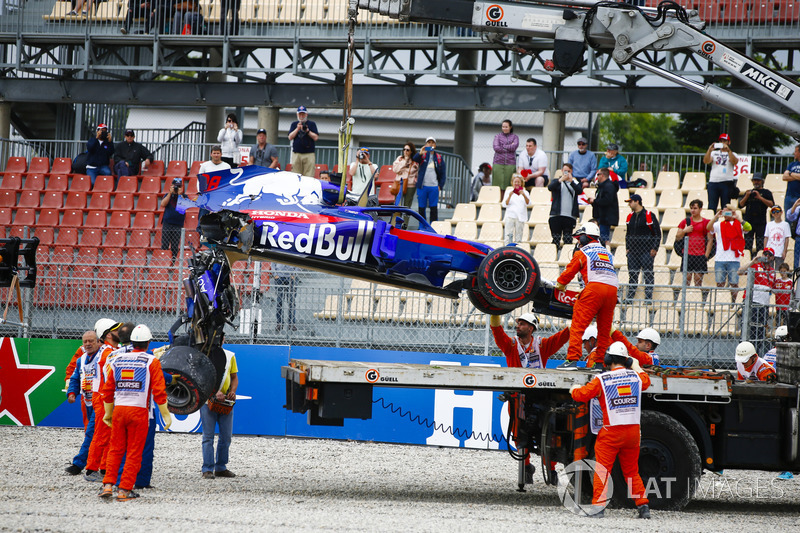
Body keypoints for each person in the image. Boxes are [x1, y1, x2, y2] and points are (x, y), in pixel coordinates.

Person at [569, 341, 652, 519]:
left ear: (608, 359)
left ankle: (598, 508)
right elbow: (646, 380)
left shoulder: (602, 379)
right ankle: (643, 506)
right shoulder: (636, 378)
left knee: (602, 470)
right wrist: (635, 364)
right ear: (626, 360)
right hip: (632, 433)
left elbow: (582, 395)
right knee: (631, 471)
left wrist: (573, 390)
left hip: (611, 433)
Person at [489, 311, 569, 482]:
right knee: (519, 434)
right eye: (518, 323)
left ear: (531, 328)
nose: (518, 326)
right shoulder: (511, 345)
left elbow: (562, 337)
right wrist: (493, 313)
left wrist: (579, 319)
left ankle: (552, 469)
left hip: (540, 396)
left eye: (522, 323)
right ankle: (526, 467)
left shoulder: (542, 344)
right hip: (518, 397)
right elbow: (498, 333)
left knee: (548, 433)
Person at [99, 325, 171, 501]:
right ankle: (124, 490)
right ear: (148, 343)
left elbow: (107, 389)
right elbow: (159, 391)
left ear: (132, 342)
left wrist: (108, 413)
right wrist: (166, 415)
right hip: (139, 412)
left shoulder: (117, 359)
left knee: (115, 449)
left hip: (118, 410)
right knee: (134, 451)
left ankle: (108, 485)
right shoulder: (151, 361)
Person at [556, 222, 618, 365]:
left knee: (578, 325)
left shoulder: (582, 252)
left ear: (585, 238)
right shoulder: (607, 253)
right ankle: (599, 363)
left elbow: (568, 273)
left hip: (594, 289)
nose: (578, 241)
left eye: (579, 238)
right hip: (613, 292)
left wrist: (560, 285)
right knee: (604, 330)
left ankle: (572, 360)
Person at [83, 319, 122, 482]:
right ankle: (91, 469)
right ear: (108, 334)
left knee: (109, 435)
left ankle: (104, 468)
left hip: (107, 396)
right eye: (117, 330)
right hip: (104, 397)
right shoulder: (107, 352)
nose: (120, 332)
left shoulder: (111, 350)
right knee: (101, 435)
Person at [64, 330, 104, 476]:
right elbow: (75, 378)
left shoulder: (104, 357)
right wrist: (72, 393)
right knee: (95, 434)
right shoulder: (81, 360)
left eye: (91, 341)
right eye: (85, 341)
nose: (88, 344)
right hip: (87, 402)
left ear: (98, 341)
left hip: (100, 402)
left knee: (91, 433)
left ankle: (79, 464)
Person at [200, 341, 238, 479]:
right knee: (208, 436)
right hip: (208, 401)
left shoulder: (230, 356)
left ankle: (220, 467)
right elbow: (201, 379)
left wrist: (232, 391)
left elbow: (234, 377)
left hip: (225, 401)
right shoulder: (204, 356)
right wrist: (213, 392)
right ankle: (208, 468)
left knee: (226, 436)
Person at [738, 249, 776, 356]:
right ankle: (743, 354)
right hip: (752, 303)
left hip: (764, 306)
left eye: (770, 255)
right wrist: (752, 262)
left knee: (760, 332)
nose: (767, 256)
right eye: (765, 254)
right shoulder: (756, 265)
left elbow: (773, 288)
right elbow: (739, 272)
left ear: (773, 258)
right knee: (747, 330)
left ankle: (755, 355)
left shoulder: (772, 272)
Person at [624, 194, 661, 302]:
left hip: (646, 251)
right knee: (632, 274)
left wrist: (654, 248)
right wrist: (628, 248)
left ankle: (648, 297)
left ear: (637, 201)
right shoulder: (630, 216)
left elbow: (657, 233)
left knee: (648, 274)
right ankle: (630, 297)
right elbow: (628, 234)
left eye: (631, 202)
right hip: (633, 251)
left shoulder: (649, 215)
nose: (629, 204)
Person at [708, 204, 747, 300]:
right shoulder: (719, 224)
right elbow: (708, 227)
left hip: (734, 259)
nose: (725, 214)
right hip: (720, 259)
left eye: (727, 212)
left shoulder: (739, 225)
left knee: (734, 283)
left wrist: (738, 218)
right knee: (719, 283)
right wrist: (716, 216)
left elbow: (748, 228)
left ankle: (734, 302)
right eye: (724, 212)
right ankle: (720, 302)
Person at [677, 199, 712, 287]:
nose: (693, 210)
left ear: (700, 209)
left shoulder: (706, 222)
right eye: (691, 208)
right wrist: (685, 230)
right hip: (688, 254)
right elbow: (677, 237)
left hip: (700, 255)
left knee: (698, 282)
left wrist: (706, 256)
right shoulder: (685, 221)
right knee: (686, 281)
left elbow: (710, 239)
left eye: (695, 208)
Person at [738, 172, 774, 255]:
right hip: (749, 221)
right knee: (747, 243)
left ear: (762, 181)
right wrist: (747, 196)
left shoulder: (766, 192)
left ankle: (759, 262)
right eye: (754, 180)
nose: (756, 182)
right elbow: (740, 205)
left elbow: (772, 205)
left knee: (760, 244)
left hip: (761, 221)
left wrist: (760, 197)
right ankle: (747, 259)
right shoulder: (749, 192)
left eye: (758, 180)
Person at [412, 137, 446, 222]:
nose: (431, 144)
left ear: (435, 145)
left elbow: (443, 173)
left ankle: (433, 226)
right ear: (426, 144)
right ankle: (422, 227)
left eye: (432, 142)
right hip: (422, 186)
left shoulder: (438, 157)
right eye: (429, 142)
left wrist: (440, 186)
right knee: (421, 207)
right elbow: (414, 159)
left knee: (433, 207)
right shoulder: (422, 155)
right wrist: (420, 153)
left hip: (434, 186)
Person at [547, 163, 581, 248]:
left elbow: (579, 191)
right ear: (562, 171)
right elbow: (550, 187)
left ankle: (566, 256)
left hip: (570, 216)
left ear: (571, 171)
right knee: (556, 238)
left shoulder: (575, 182)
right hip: (556, 215)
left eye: (568, 171)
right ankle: (554, 254)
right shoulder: (557, 181)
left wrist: (571, 181)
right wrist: (560, 180)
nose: (566, 173)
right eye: (565, 171)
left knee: (568, 238)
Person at [704, 133, 739, 213]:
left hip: (727, 182)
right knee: (712, 206)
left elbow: (734, 162)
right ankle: (711, 223)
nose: (723, 143)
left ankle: (726, 223)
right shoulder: (714, 153)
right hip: (713, 182)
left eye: (725, 141)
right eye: (721, 141)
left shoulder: (733, 154)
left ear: (729, 142)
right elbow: (706, 161)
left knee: (726, 206)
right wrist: (709, 150)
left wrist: (728, 150)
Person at [586, 168, 619, 243]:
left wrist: (595, 201)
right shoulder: (601, 186)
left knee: (603, 239)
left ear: (602, 175)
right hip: (601, 217)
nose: (597, 176)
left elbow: (607, 200)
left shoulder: (609, 186)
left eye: (598, 174)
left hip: (605, 218)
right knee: (600, 239)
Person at [288, 105, 319, 178]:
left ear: (306, 114)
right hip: (297, 154)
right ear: (297, 114)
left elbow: (316, 137)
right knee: (296, 175)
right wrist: (297, 129)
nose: (301, 116)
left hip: (309, 154)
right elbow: (290, 137)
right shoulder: (294, 124)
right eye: (300, 114)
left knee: (309, 176)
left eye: (303, 114)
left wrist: (307, 131)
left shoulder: (312, 124)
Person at [160, 178, 185, 261]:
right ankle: (164, 261)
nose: (176, 188)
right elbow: (163, 204)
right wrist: (170, 193)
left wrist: (180, 195)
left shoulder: (184, 196)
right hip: (167, 223)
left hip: (178, 224)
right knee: (165, 244)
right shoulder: (167, 195)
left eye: (178, 186)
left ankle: (173, 262)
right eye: (175, 186)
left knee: (175, 246)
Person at [502, 175, 530, 244]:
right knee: (508, 236)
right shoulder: (508, 192)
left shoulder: (525, 192)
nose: (516, 183)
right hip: (510, 216)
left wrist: (523, 195)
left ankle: (517, 251)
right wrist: (509, 196)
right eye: (515, 182)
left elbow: (528, 203)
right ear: (512, 182)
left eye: (518, 182)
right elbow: (504, 204)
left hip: (520, 217)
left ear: (521, 183)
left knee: (519, 237)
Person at [492, 119, 518, 191]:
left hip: (510, 163)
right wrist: (509, 146)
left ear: (510, 127)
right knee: (497, 184)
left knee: (509, 184)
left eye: (506, 127)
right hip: (498, 162)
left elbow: (514, 147)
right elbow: (496, 148)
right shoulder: (497, 136)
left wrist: (503, 146)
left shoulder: (515, 137)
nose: (504, 128)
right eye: (503, 127)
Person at [273, 262, 300, 332]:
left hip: (291, 277)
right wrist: (275, 274)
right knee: (279, 302)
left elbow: (299, 261)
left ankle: (291, 323)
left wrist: (294, 274)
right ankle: (279, 323)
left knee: (291, 302)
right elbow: (272, 262)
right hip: (279, 277)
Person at [392, 142, 419, 212]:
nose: (405, 151)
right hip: (399, 183)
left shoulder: (415, 161)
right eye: (404, 149)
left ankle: (405, 222)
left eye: (407, 150)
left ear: (411, 151)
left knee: (407, 205)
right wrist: (405, 161)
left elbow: (417, 172)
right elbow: (395, 169)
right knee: (398, 204)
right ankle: (396, 221)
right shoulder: (400, 159)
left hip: (410, 184)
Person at [782, 144, 800, 213]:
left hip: (799, 197)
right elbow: (784, 177)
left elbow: (788, 175)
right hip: (789, 196)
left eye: (795, 151)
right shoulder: (792, 164)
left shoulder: (791, 170)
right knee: (788, 217)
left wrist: (791, 174)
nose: (794, 153)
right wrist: (797, 177)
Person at [773, 263, 792, 327]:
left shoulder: (790, 282)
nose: (783, 273)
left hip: (787, 306)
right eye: (781, 271)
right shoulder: (777, 281)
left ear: (788, 271)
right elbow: (774, 290)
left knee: (786, 323)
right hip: (779, 306)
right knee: (778, 321)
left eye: (784, 271)